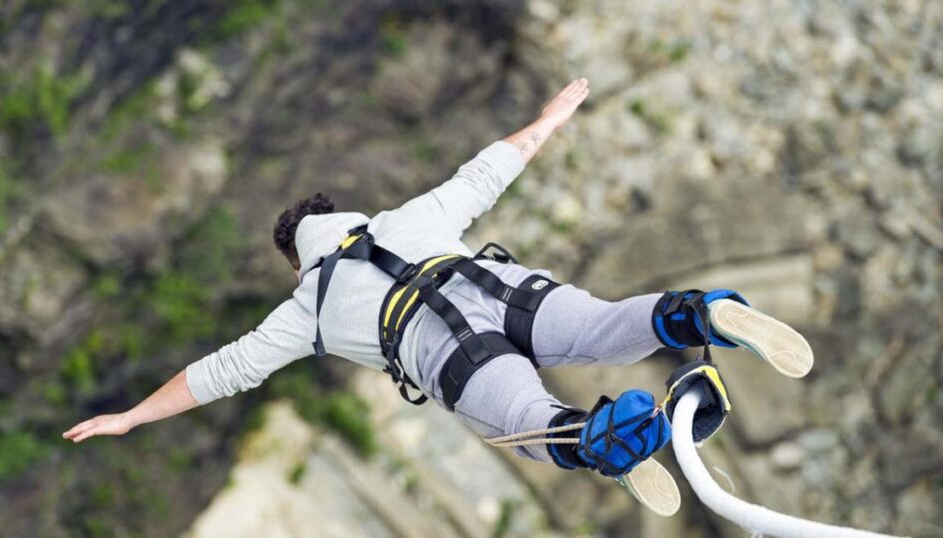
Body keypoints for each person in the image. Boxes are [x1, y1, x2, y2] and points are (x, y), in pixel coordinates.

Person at [63, 79, 813, 515]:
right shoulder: (406, 219)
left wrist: (130, 416)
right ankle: (694, 314)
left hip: (452, 352)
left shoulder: (306, 310)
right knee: (604, 327)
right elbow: (490, 169)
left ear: (298, 259)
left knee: (532, 421)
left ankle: (602, 440)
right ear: (344, 217)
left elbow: (219, 372)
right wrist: (551, 118)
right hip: (507, 290)